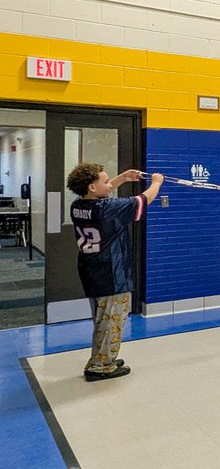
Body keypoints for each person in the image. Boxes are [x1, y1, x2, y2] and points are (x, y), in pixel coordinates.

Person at [66, 164, 163, 382]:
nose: (110, 185)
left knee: (102, 319)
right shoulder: (106, 208)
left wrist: (123, 178)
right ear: (92, 186)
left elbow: (104, 192)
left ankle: (104, 356)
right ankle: (101, 366)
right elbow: (142, 201)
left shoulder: (78, 205)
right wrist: (156, 183)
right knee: (112, 319)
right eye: (106, 181)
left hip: (92, 270)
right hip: (111, 273)